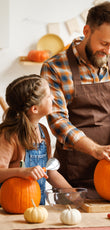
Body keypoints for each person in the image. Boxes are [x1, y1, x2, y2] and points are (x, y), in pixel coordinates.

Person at [40, 1, 110, 197]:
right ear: (87, 31)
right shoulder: (54, 67)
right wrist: (94, 149)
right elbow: (58, 121)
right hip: (72, 175)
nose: (109, 51)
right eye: (104, 43)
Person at [0, 75, 72, 205]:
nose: (53, 97)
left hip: (37, 208)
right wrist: (22, 172)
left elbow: (49, 171)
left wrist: (73, 194)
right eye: (48, 95)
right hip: (11, 209)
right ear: (34, 109)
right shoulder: (9, 135)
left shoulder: (43, 132)